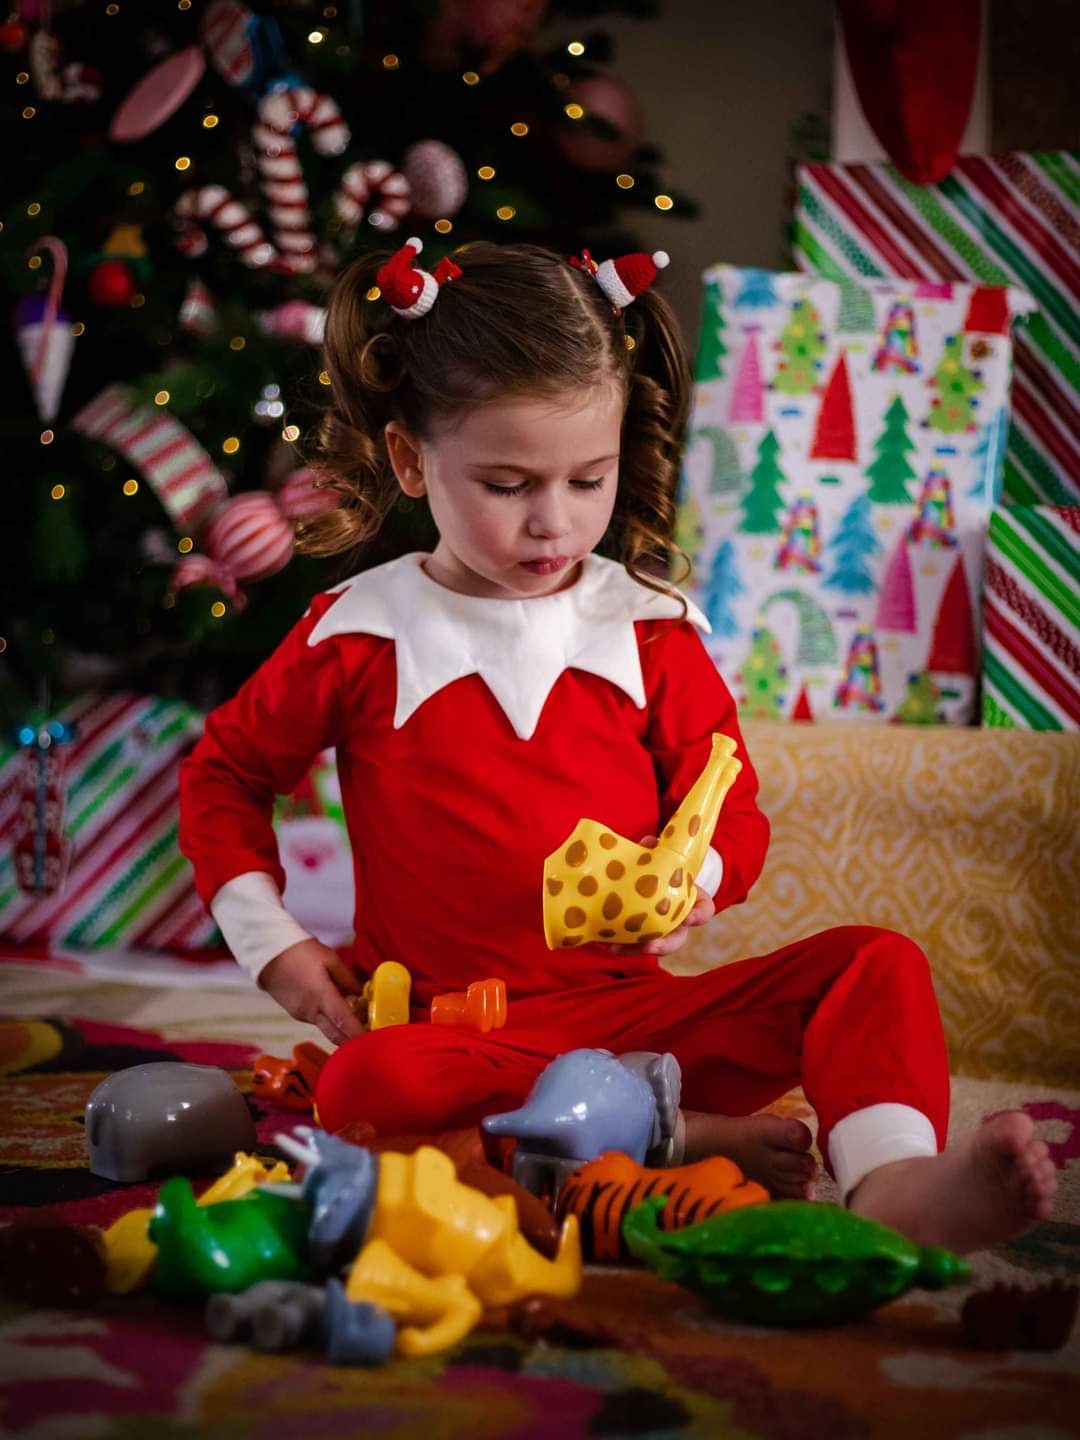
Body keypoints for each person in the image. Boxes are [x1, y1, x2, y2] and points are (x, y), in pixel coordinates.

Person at [179, 238, 1056, 1254]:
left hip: (639, 1018)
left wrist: (704, 879)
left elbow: (732, 803)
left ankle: (893, 1183)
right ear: (413, 459)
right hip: (460, 1038)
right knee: (365, 1087)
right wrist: (273, 944)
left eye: (587, 481)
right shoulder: (359, 631)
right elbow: (227, 772)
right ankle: (666, 1138)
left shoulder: (647, 627)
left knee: (875, 963)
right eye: (508, 485)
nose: (555, 524)